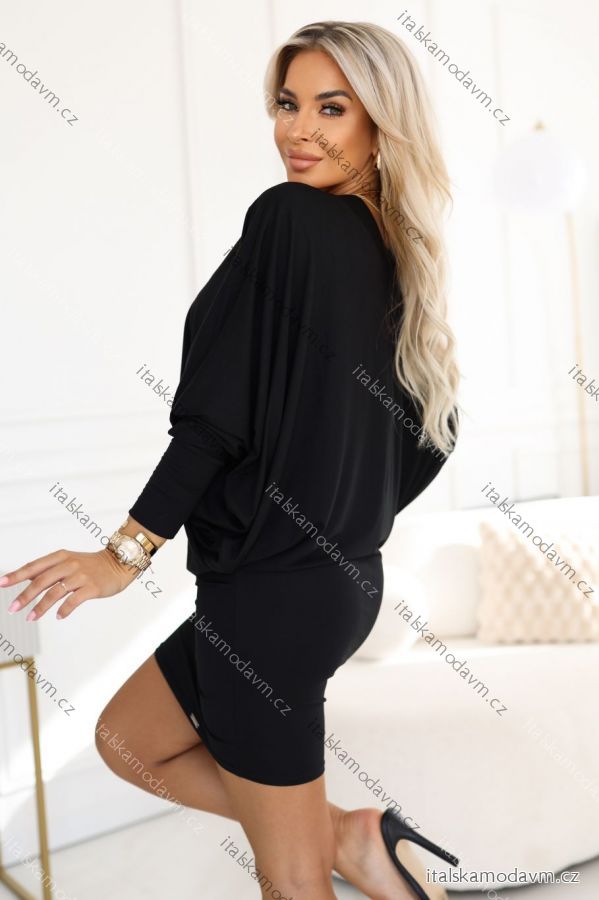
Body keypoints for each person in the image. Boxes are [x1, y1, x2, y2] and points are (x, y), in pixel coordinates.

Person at [1, 20, 461, 900]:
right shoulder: (391, 249)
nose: (298, 130)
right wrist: (334, 514)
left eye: (331, 108)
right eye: (287, 104)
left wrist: (122, 554)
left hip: (271, 599)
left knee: (291, 886)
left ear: (381, 123)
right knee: (128, 739)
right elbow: (434, 437)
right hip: (336, 589)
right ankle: (351, 836)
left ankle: (336, 844)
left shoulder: (288, 219)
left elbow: (216, 423)